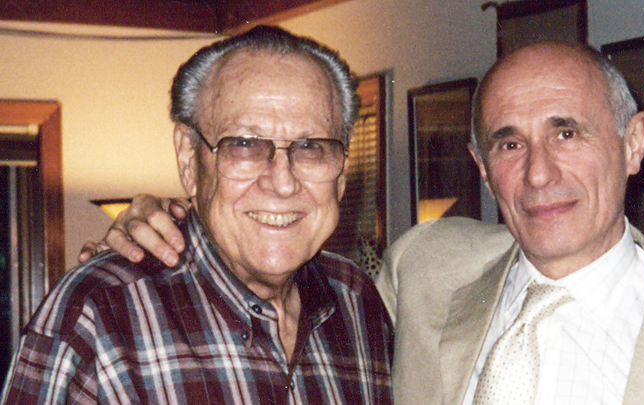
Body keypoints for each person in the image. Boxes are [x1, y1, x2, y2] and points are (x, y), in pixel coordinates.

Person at [77, 40, 644, 404]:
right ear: (481, 166)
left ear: (633, 142)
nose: (538, 173)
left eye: (567, 132)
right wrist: (178, 217)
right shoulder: (424, 267)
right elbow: (263, 260)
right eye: (509, 143)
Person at [1, 26, 392, 404]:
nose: (283, 183)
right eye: (244, 145)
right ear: (189, 159)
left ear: (341, 171)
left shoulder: (359, 304)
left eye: (311, 147)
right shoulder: (99, 316)